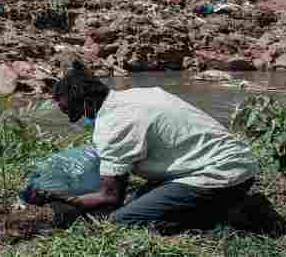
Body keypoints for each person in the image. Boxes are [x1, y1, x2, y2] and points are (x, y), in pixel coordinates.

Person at [30, 61, 259, 233]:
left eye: (74, 113)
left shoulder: (114, 124)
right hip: (239, 164)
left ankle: (230, 216)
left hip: (219, 175)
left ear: (87, 102)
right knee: (136, 198)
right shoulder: (140, 94)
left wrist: (67, 199)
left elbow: (110, 197)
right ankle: (225, 205)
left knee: (119, 222)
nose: (75, 120)